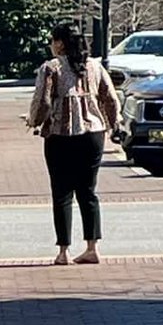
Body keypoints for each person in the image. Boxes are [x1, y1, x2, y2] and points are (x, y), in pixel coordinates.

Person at [27, 24, 120, 265]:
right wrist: (113, 124)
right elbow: (110, 98)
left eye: (52, 40)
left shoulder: (50, 68)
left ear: (60, 43)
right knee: (88, 191)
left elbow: (43, 101)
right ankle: (92, 247)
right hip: (93, 134)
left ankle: (63, 251)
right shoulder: (94, 66)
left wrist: (35, 122)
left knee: (62, 192)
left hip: (61, 134)